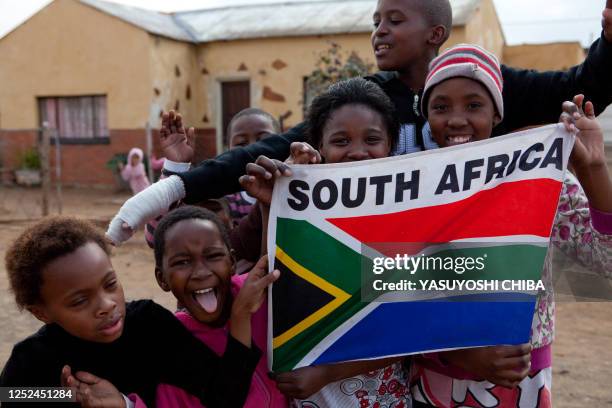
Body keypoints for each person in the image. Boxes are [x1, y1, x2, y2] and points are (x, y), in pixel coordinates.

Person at [105, 0, 612, 243]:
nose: (379, 32)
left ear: (436, 32)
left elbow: (584, 88)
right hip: (384, 278)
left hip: (475, 274)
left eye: (394, 20)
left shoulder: (488, 83)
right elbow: (274, 148)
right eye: (375, 22)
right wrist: (172, 188)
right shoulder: (369, 103)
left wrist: (610, 40)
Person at [406, 44, 612, 407]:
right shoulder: (406, 187)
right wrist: (458, 356)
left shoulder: (540, 180)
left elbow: (605, 260)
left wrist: (593, 169)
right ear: (426, 116)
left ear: (497, 114)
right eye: (440, 107)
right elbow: (389, 285)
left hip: (520, 380)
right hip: (432, 376)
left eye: (474, 105)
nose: (456, 119)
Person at [239, 78, 410, 407]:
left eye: (372, 139)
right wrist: (270, 207)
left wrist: (328, 372)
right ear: (319, 146)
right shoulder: (305, 217)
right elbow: (272, 293)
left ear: (390, 145)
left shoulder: (407, 218)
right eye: (341, 140)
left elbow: (414, 327)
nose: (358, 151)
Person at [0, 216, 274, 407]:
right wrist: (67, 397)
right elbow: (12, 396)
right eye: (79, 301)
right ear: (42, 313)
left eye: (110, 284)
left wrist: (240, 317)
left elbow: (225, 397)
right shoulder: (32, 359)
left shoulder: (150, 326)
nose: (106, 304)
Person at [151, 205, 287, 407]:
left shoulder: (259, 294)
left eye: (213, 256)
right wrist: (240, 315)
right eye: (182, 262)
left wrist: (269, 207)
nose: (201, 272)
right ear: (162, 279)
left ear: (232, 262)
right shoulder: (172, 346)